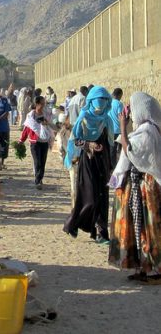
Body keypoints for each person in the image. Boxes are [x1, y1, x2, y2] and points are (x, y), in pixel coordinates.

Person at [109, 92, 161, 282]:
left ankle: (154, 269)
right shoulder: (148, 129)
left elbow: (129, 151)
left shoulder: (148, 131)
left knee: (149, 228)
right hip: (141, 187)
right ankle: (144, 267)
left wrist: (123, 127)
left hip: (147, 187)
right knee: (141, 228)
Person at [63, 86, 113, 243]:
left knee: (102, 197)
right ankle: (73, 223)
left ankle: (102, 233)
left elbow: (110, 143)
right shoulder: (84, 116)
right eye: (99, 100)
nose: (101, 103)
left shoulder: (107, 119)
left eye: (105, 100)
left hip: (103, 162)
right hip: (88, 161)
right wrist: (89, 145)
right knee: (89, 197)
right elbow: (75, 139)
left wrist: (112, 165)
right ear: (91, 101)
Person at [19, 96, 54, 190]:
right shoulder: (31, 116)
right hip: (35, 142)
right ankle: (37, 180)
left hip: (44, 142)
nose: (44, 105)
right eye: (42, 104)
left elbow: (51, 126)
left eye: (44, 104)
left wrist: (48, 124)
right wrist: (21, 141)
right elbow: (26, 129)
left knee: (43, 162)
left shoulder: (46, 115)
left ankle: (40, 178)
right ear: (37, 104)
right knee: (37, 162)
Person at [108, 88, 124, 168]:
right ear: (119, 95)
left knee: (111, 149)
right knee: (121, 150)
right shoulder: (119, 104)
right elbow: (120, 116)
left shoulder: (109, 103)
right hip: (118, 130)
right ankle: (116, 167)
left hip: (109, 129)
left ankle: (111, 165)